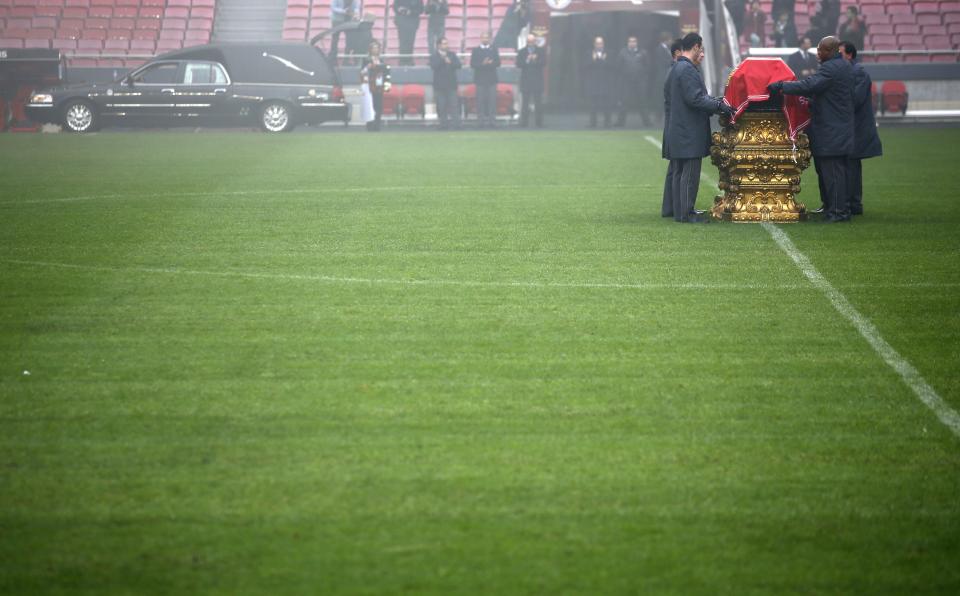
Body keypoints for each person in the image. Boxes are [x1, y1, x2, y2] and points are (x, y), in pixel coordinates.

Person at [768, 36, 855, 222]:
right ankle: (836, 208)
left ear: (830, 51)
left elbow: (810, 85)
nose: (817, 54)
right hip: (839, 126)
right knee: (834, 171)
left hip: (832, 129)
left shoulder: (831, 68)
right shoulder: (843, 66)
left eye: (820, 50)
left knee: (833, 173)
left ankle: (838, 212)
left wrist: (782, 86)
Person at [662, 32, 734, 223]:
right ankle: (687, 213)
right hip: (688, 131)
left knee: (679, 173)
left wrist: (714, 102)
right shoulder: (686, 70)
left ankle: (680, 212)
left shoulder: (677, 68)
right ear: (695, 47)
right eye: (700, 49)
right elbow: (695, 99)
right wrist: (719, 106)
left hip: (679, 129)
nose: (701, 53)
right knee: (689, 174)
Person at [840, 40, 882, 215]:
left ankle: (853, 204)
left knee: (852, 165)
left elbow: (854, 100)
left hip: (857, 128)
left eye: (840, 54)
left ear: (849, 55)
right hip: (852, 127)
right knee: (851, 165)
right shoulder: (854, 72)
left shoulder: (859, 74)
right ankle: (852, 203)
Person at [661, 37, 683, 218]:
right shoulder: (676, 71)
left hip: (671, 125)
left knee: (674, 169)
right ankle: (677, 208)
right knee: (677, 170)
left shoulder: (672, 70)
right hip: (675, 126)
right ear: (677, 53)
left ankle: (669, 208)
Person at [470, 31, 501, 128]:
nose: (485, 39)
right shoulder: (475, 50)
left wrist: (491, 63)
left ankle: (492, 121)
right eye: (483, 37)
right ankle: (480, 121)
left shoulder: (494, 49)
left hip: (492, 79)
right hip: (480, 79)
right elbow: (472, 64)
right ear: (480, 38)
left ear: (489, 39)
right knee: (480, 101)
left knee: (492, 101)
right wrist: (483, 64)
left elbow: (498, 63)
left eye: (487, 37)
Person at [430, 36, 461, 130]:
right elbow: (434, 66)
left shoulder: (452, 54)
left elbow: (458, 65)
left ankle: (456, 125)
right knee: (441, 106)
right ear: (439, 45)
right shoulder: (434, 56)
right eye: (444, 43)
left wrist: (450, 62)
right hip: (439, 85)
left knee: (454, 106)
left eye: (447, 43)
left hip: (451, 85)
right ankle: (443, 125)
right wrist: (443, 60)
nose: (446, 45)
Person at [616, 35, 647, 127]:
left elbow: (647, 66)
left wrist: (642, 76)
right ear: (628, 42)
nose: (632, 43)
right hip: (626, 81)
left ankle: (647, 122)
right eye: (630, 41)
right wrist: (624, 76)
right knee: (624, 101)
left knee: (642, 102)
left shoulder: (642, 52)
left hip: (639, 81)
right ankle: (620, 122)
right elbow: (618, 66)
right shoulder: (623, 52)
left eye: (634, 41)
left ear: (636, 42)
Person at [360, 40, 391, 131]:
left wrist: (386, 84)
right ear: (370, 50)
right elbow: (362, 72)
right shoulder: (366, 60)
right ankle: (370, 125)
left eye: (377, 48)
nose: (376, 50)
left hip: (379, 86)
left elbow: (385, 72)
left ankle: (377, 125)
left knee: (378, 106)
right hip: (370, 86)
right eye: (374, 48)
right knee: (370, 105)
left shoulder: (381, 60)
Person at [516, 33, 545, 128]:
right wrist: (527, 60)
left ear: (535, 41)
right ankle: (524, 123)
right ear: (526, 42)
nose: (531, 43)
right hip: (526, 80)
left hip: (537, 80)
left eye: (532, 41)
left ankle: (539, 123)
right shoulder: (522, 52)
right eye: (529, 41)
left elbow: (544, 63)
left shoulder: (540, 51)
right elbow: (518, 64)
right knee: (525, 103)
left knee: (538, 103)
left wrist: (535, 60)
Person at [585, 36, 614, 128]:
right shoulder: (589, 53)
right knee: (593, 104)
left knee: (607, 104)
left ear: (603, 44)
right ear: (594, 44)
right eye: (597, 43)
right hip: (593, 82)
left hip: (605, 82)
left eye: (601, 43)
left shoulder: (609, 53)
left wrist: (603, 60)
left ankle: (607, 122)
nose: (599, 45)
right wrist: (594, 60)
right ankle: (593, 123)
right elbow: (586, 66)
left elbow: (612, 66)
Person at [393, 0, 423, 66]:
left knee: (410, 42)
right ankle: (402, 60)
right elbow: (395, 7)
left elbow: (421, 10)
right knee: (402, 42)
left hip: (412, 22)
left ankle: (409, 60)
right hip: (401, 21)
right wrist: (399, 9)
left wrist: (411, 12)